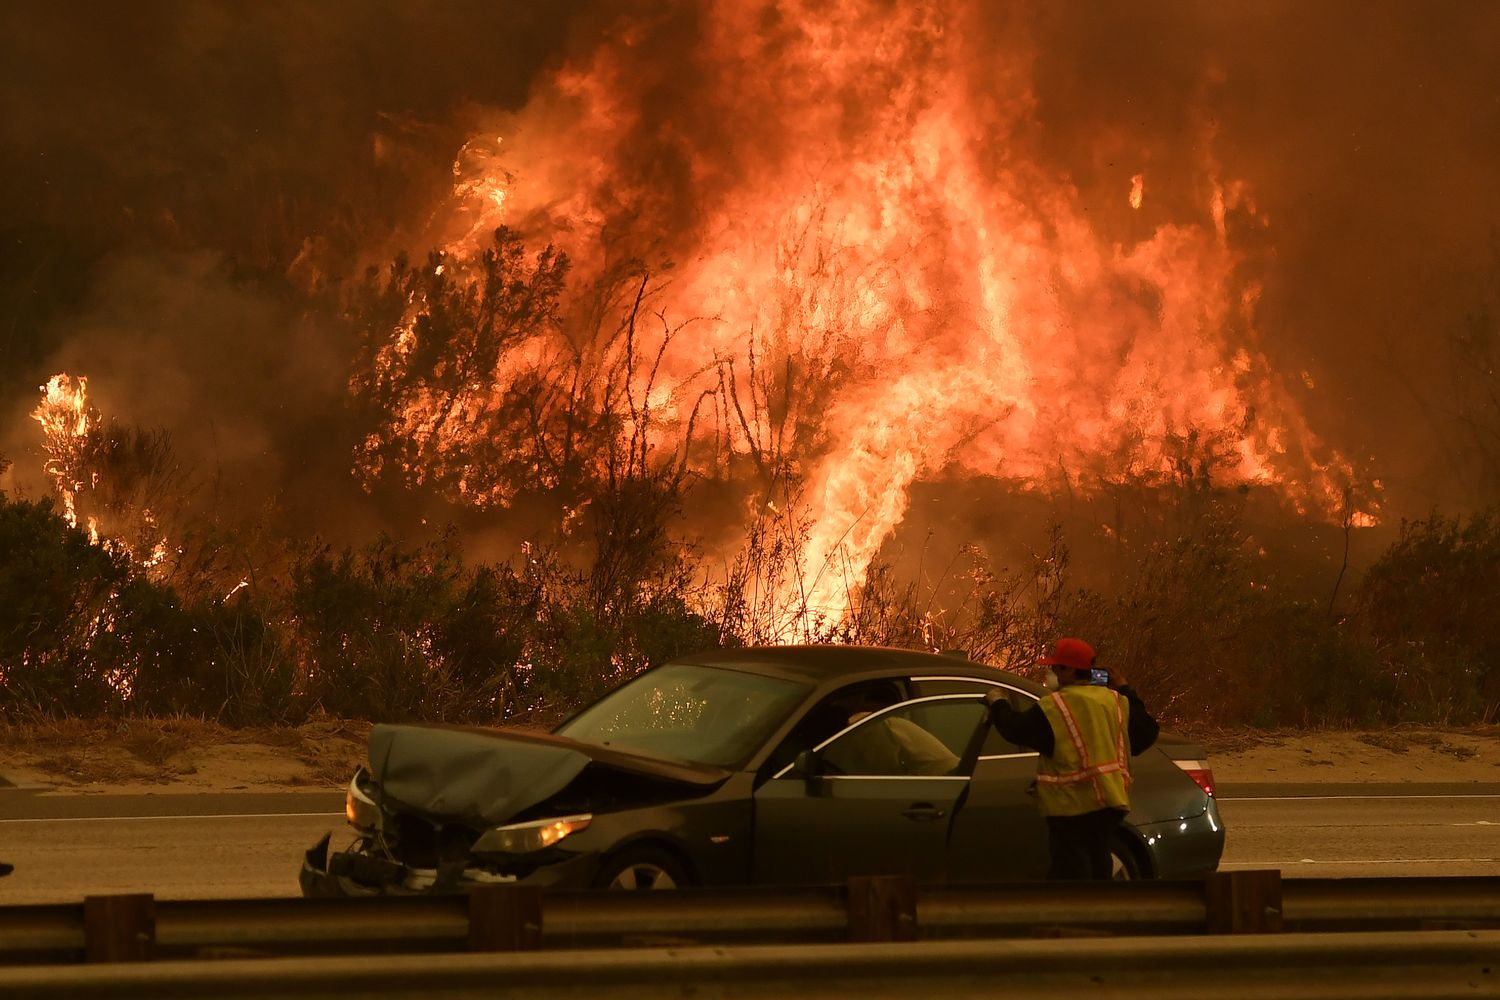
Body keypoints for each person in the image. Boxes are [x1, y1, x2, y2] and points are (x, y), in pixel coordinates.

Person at [986, 637, 1159, 880]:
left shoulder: (1055, 706)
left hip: (1071, 805)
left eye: (1055, 668)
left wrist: (998, 704)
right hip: (1109, 803)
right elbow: (1146, 732)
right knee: (1098, 866)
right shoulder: (1115, 701)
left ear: (1068, 670)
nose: (1052, 673)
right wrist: (1124, 688)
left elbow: (1015, 729)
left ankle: (1077, 904)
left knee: (1072, 875)